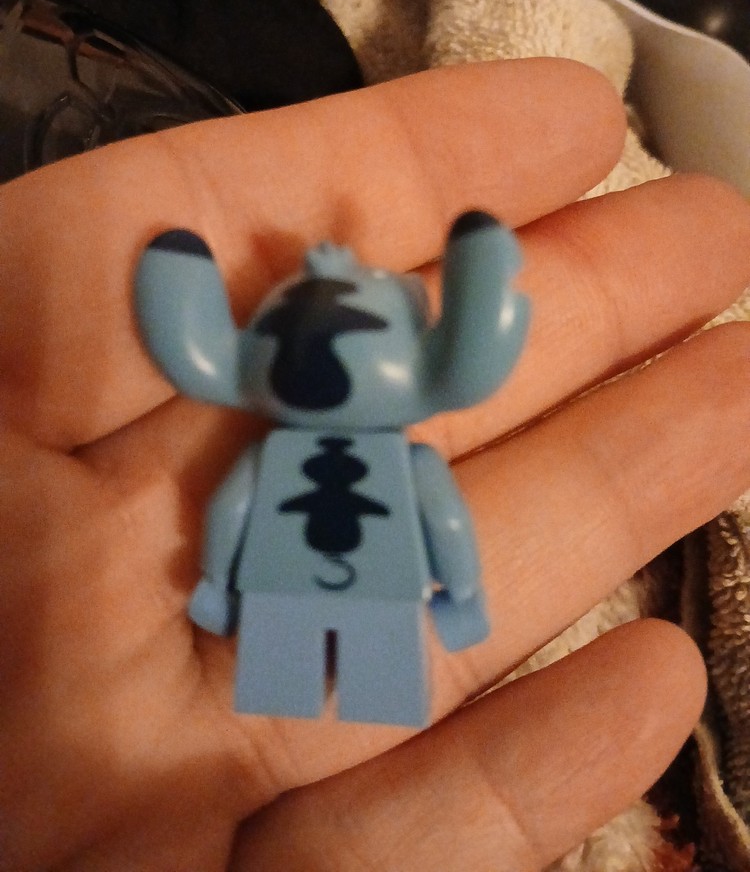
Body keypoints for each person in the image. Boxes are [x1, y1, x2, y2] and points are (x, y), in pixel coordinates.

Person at [0, 57, 748, 872]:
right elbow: (239, 506)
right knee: (287, 665)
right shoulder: (287, 448)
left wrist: (459, 594)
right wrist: (217, 584)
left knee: (381, 671)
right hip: (284, 591)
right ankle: (306, 682)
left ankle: (364, 687)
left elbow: (437, 514)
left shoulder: (391, 455)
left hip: (378, 592)